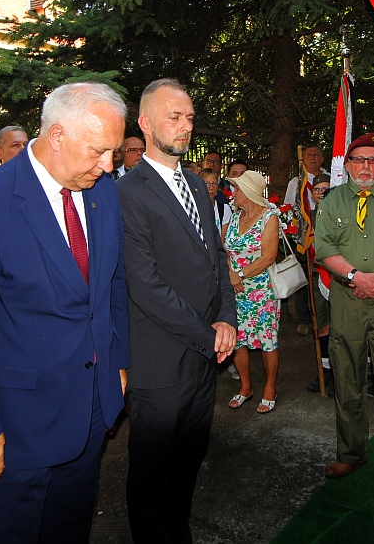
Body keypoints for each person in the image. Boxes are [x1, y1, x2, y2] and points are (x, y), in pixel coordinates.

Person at [0, 82, 130, 543]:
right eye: (99, 151)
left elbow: (113, 285)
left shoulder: (103, 194)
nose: (108, 165)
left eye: (114, 153)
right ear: (56, 135)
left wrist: (118, 362)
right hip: (16, 427)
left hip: (90, 411)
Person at [116, 78, 237, 544]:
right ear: (145, 124)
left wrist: (226, 318)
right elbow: (145, 285)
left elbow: (217, 258)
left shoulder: (194, 182)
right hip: (160, 362)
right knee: (150, 477)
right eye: (174, 117)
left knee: (188, 464)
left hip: (204, 359)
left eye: (188, 117)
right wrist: (209, 334)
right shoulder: (128, 194)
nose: (185, 126)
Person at [314, 133, 374, 491]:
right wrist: (357, 277)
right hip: (346, 303)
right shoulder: (332, 201)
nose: (368, 166)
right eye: (360, 160)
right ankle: (350, 453)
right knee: (347, 380)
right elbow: (323, 249)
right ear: (348, 164)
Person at [222, 171, 280, 414]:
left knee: (267, 341)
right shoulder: (235, 216)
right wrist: (230, 275)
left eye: (237, 189)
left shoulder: (269, 218)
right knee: (238, 340)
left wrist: (240, 274)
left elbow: (268, 257)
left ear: (249, 193)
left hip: (262, 291)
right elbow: (225, 250)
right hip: (236, 290)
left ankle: (270, 388)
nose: (232, 193)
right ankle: (246, 387)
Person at [283, 144, 327, 336]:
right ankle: (304, 318)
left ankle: (324, 317)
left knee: (324, 277)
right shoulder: (296, 182)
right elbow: (289, 208)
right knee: (304, 279)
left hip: (326, 234)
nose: (313, 158)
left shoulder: (331, 178)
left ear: (322, 158)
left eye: (316, 155)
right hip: (303, 236)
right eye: (309, 155)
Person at [304, 173, 334, 395]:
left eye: (327, 189)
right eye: (317, 190)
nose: (322, 194)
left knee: (342, 326)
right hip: (317, 276)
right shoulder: (307, 218)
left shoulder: (340, 213)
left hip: (340, 278)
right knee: (322, 325)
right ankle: (326, 370)